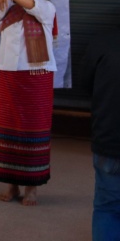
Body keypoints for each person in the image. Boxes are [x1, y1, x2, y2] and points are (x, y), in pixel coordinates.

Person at [0, 0, 56, 206]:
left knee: (33, 129)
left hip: (37, 76)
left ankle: (31, 187)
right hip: (9, 75)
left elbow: (29, 3)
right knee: (9, 128)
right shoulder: (10, 8)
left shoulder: (45, 7)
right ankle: (12, 183)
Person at [81, 24, 120, 241]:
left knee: (108, 206)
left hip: (108, 140)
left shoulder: (101, 42)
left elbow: (87, 86)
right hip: (108, 139)